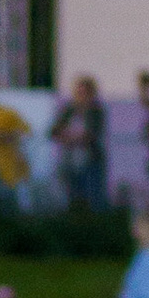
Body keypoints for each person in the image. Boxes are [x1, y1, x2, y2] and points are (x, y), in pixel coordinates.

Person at [51, 75, 108, 213]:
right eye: (79, 92)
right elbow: (54, 131)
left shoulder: (96, 111)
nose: (82, 96)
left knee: (93, 198)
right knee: (72, 196)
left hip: (90, 161)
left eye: (85, 93)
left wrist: (68, 136)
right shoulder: (69, 110)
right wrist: (73, 136)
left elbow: (90, 135)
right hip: (69, 160)